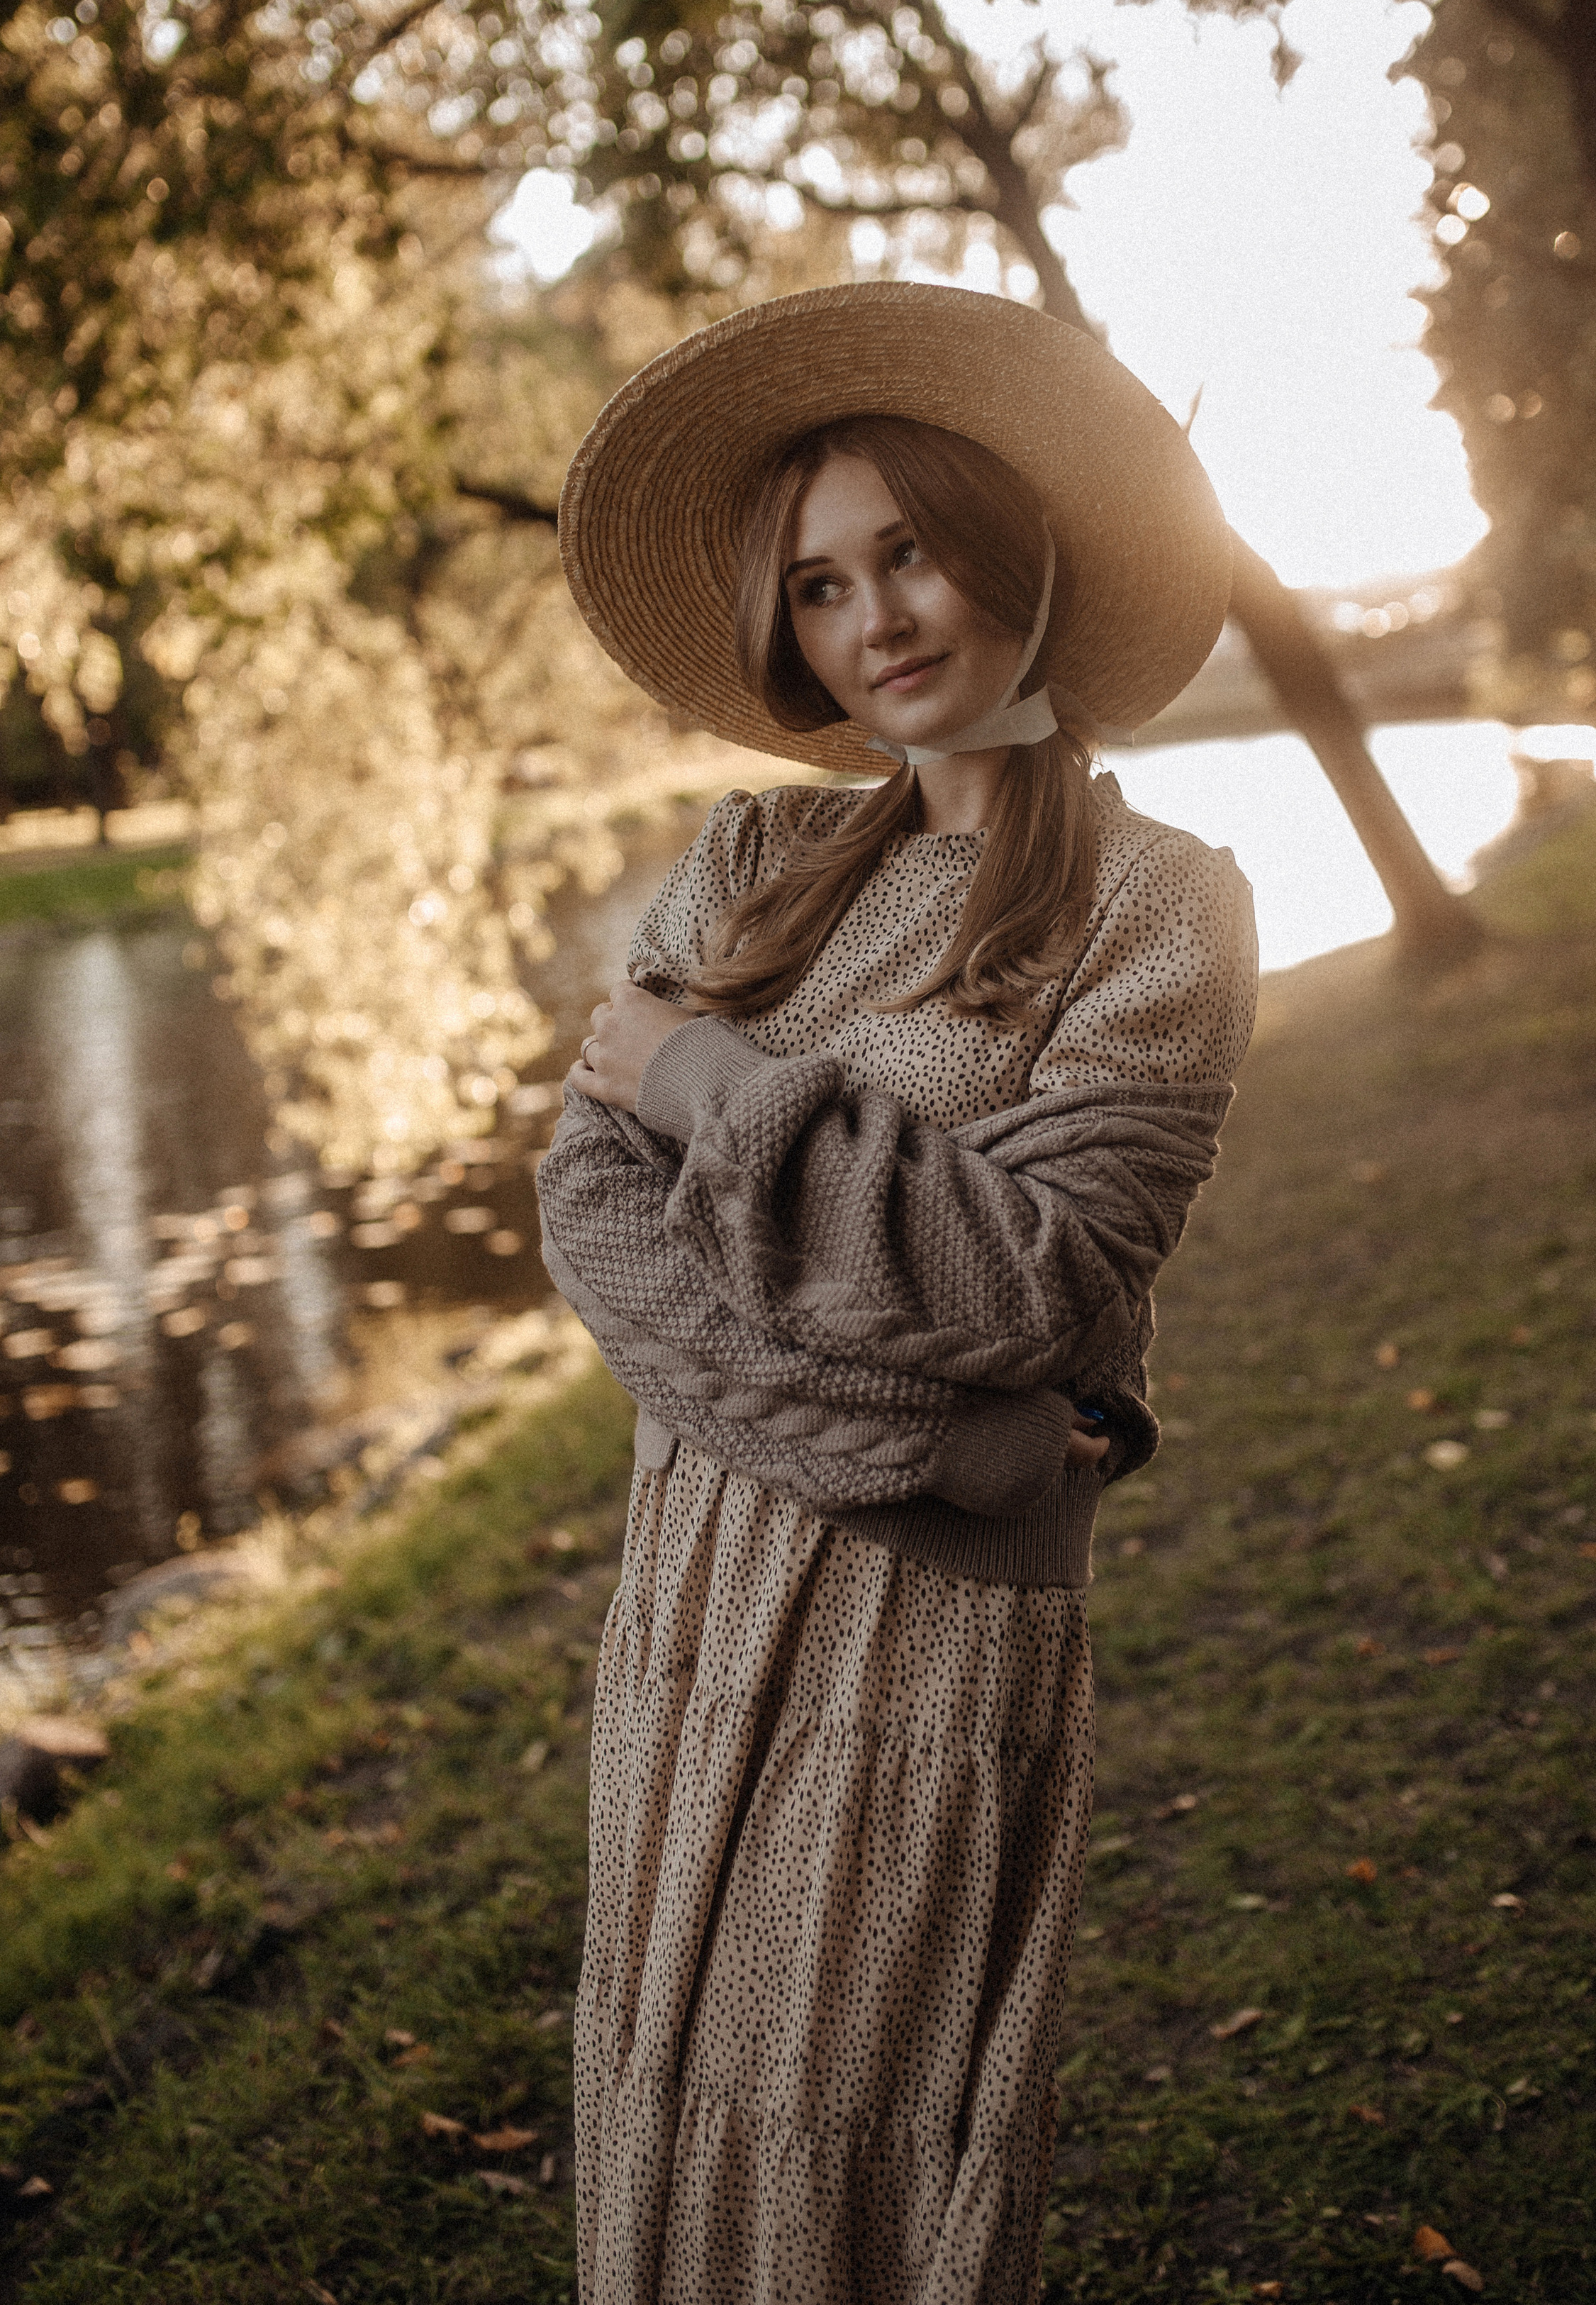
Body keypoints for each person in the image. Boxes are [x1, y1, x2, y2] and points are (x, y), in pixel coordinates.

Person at [536, 280, 1258, 2305]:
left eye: (912, 549)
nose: (881, 620)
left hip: (926, 1639)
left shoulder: (1162, 900)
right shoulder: (749, 856)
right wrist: (953, 1442)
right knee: (669, 2110)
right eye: (826, 585)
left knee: (847, 2147)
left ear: (1004, 543)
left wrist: (712, 1086)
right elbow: (595, 1227)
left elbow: (1043, 1280)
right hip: (690, 1593)